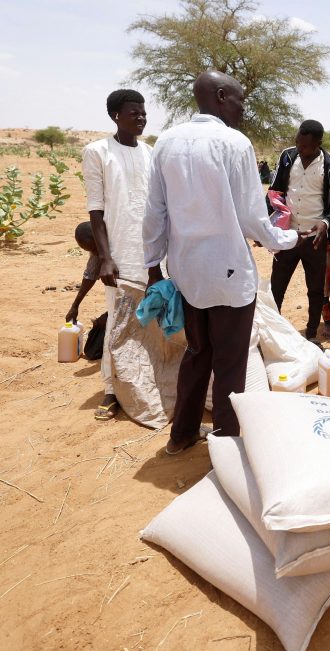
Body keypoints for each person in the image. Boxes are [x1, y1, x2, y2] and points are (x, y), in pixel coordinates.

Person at [143, 71, 299, 455]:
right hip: (229, 273)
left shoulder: (166, 142)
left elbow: (154, 212)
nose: (243, 108)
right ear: (220, 95)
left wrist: (152, 267)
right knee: (230, 360)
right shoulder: (234, 143)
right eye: (240, 100)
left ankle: (181, 436)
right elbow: (251, 217)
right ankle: (228, 445)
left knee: (197, 353)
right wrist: (287, 238)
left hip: (186, 273)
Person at [80, 89, 153, 421]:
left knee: (152, 319)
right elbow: (96, 211)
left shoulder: (151, 153)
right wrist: (105, 258)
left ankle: (147, 380)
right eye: (133, 112)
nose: (140, 117)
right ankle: (111, 389)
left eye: (143, 112)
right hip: (119, 254)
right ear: (115, 116)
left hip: (152, 251)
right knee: (117, 321)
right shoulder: (97, 152)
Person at [268, 120, 330, 340]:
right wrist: (267, 226)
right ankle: (274, 336)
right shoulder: (287, 156)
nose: (299, 150)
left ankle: (311, 335)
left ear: (318, 143)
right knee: (276, 289)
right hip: (287, 236)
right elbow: (275, 191)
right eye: (297, 144)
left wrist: (326, 222)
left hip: (314, 239)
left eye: (305, 147)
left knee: (315, 291)